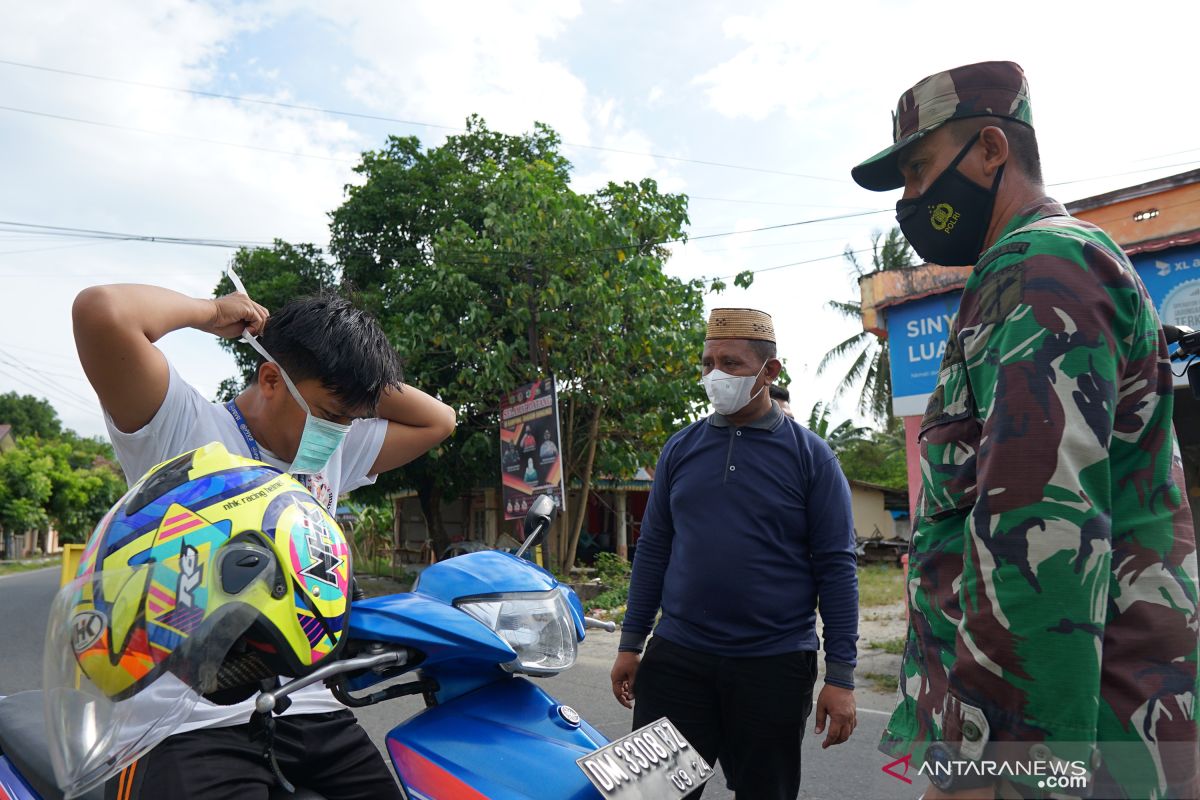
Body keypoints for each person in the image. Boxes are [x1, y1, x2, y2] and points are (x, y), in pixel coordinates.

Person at [852, 61, 1199, 799]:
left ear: (989, 150)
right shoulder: (1036, 265)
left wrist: (1002, 762)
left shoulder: (1041, 265)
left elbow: (1044, 529)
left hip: (1072, 742)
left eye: (918, 170)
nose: (911, 202)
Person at [72, 282, 456, 800]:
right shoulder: (181, 427)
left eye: (352, 420)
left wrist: (354, 371)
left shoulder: (328, 451)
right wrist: (210, 313)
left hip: (311, 707)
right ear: (271, 379)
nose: (341, 432)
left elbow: (439, 419)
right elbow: (103, 311)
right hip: (184, 722)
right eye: (331, 414)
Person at [609, 308, 859, 800]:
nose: (715, 375)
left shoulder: (812, 458)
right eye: (707, 363)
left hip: (774, 665)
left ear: (770, 372)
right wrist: (630, 642)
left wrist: (843, 676)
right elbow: (654, 550)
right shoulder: (680, 449)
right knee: (654, 795)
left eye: (731, 362)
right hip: (677, 658)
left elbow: (837, 568)